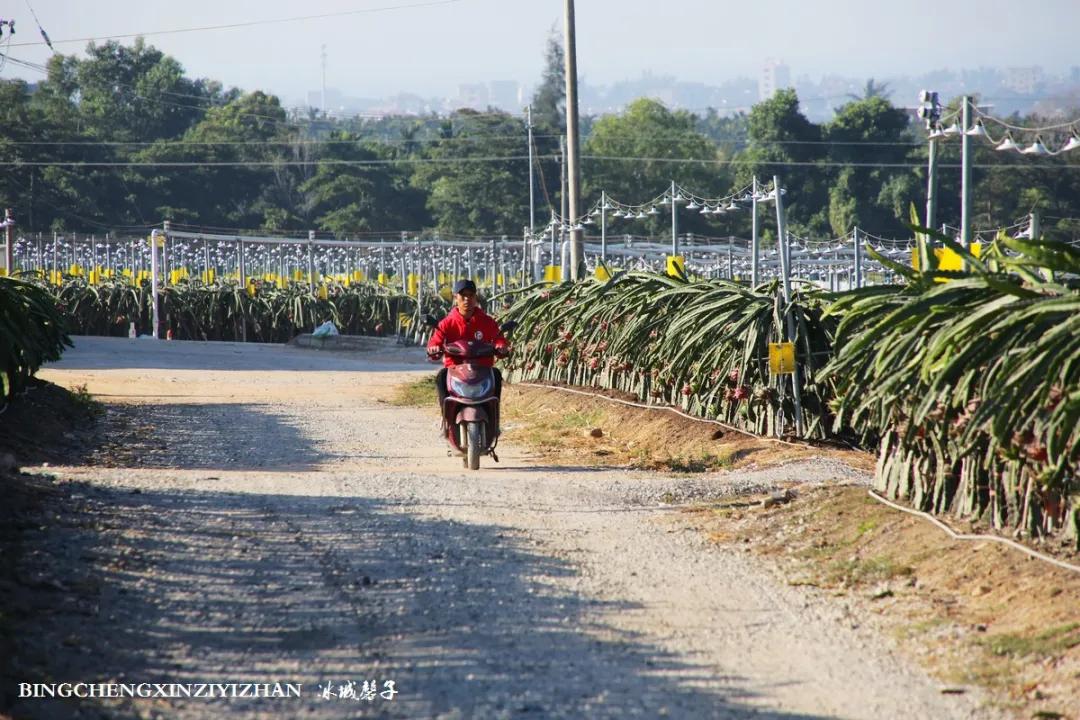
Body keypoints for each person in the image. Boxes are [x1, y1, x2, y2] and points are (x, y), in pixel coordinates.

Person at [427, 279, 509, 408]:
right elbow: (435, 341)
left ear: (475, 298)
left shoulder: (487, 322)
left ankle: (494, 420)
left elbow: (498, 338)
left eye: (470, 295)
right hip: (455, 369)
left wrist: (501, 346)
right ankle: (447, 418)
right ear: (456, 298)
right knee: (441, 376)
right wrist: (434, 348)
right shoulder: (446, 323)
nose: (467, 299)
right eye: (463, 295)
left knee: (496, 374)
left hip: (483, 369)